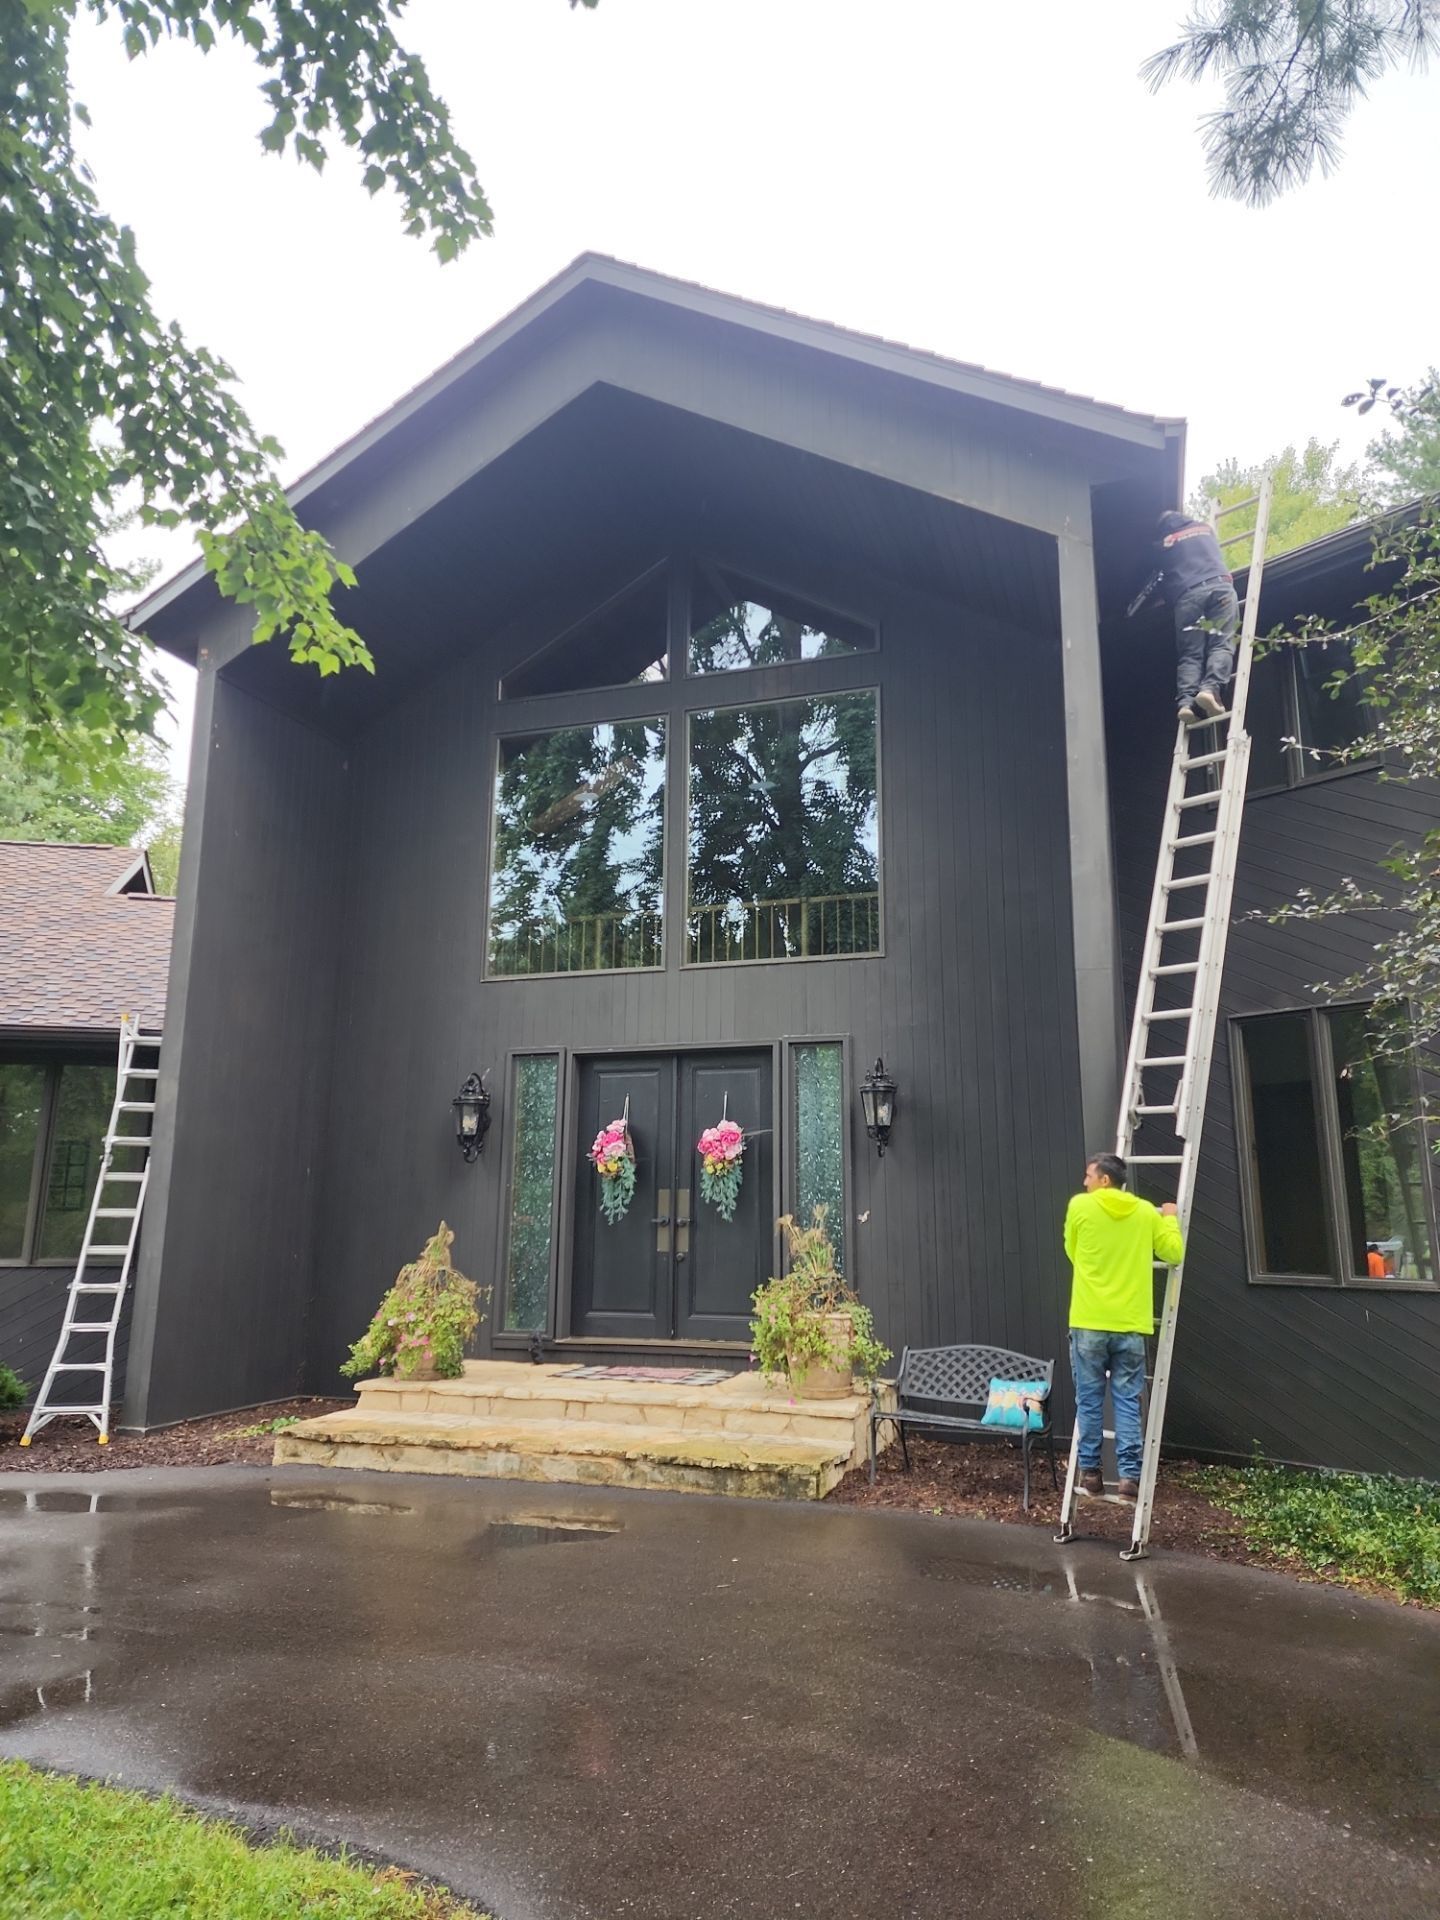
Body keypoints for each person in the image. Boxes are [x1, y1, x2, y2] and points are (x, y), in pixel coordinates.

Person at [1063, 1152, 1184, 1500]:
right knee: (1128, 1402)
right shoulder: (1147, 1213)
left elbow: (1072, 1250)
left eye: (1088, 1175)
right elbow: (1173, 1253)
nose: (1084, 1182)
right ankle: (1130, 1477)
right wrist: (1171, 1218)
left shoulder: (1080, 1207)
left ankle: (1090, 1474)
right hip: (1130, 1324)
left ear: (1104, 1180)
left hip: (1088, 1321)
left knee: (1088, 1401)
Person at [1129, 510, 1240, 725]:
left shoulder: (1163, 543)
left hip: (1188, 596)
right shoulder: (1206, 529)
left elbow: (1151, 578)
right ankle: (1211, 690)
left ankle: (1187, 703)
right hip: (1219, 587)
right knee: (1221, 643)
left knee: (1190, 654)